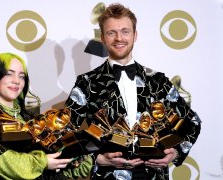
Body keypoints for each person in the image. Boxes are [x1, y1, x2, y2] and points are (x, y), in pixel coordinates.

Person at [65, 3, 201, 180]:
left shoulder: (158, 81)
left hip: (153, 175)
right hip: (107, 176)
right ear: (103, 39)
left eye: (125, 31)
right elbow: (63, 132)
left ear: (135, 35)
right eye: (111, 32)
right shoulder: (87, 83)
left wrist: (175, 153)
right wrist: (96, 158)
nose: (119, 38)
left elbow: (192, 121)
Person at [0, 52, 93, 180]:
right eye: (9, 74)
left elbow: (53, 162)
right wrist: (43, 162)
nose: (16, 81)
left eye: (22, 76)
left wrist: (82, 157)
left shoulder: (31, 117)